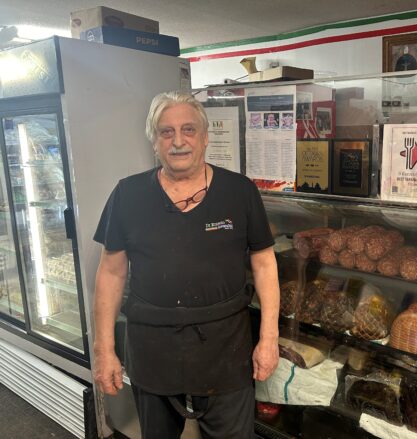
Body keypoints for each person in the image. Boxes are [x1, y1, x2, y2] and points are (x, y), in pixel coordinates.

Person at [92, 91, 280, 439]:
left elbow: (265, 263)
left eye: (188, 130)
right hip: (153, 346)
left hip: (227, 347)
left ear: (206, 137)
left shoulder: (240, 192)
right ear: (154, 141)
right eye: (166, 132)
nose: (178, 141)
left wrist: (269, 338)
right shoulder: (127, 195)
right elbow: (111, 272)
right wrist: (104, 350)